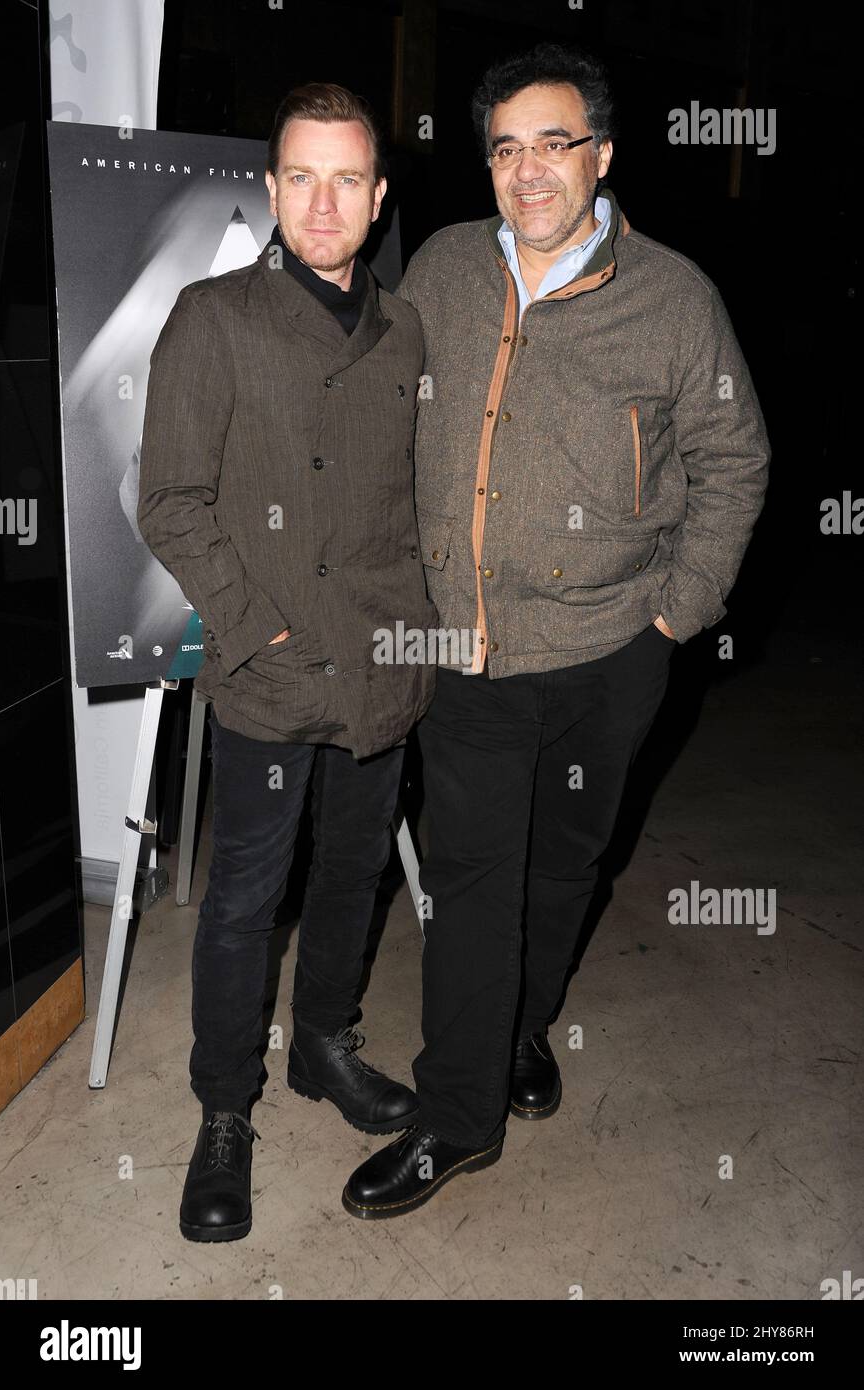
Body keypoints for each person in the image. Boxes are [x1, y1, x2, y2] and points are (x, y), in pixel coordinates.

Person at [342, 42, 770, 1219]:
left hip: (614, 650)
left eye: (554, 144)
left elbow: (734, 460)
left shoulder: (673, 297)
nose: (528, 171)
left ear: (602, 155)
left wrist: (678, 611)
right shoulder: (442, 266)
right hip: (469, 648)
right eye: (505, 149)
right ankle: (457, 1113)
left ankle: (522, 1027)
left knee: (565, 864)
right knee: (473, 881)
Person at [138, 83, 436, 1242]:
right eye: (300, 177)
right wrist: (257, 627)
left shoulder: (405, 331)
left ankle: (322, 1044)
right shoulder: (213, 318)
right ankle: (225, 1109)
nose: (321, 203)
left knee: (354, 875)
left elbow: (414, 500)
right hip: (269, 673)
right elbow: (171, 499)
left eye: (345, 179)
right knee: (244, 902)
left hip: (380, 669)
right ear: (269, 187)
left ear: (377, 196)